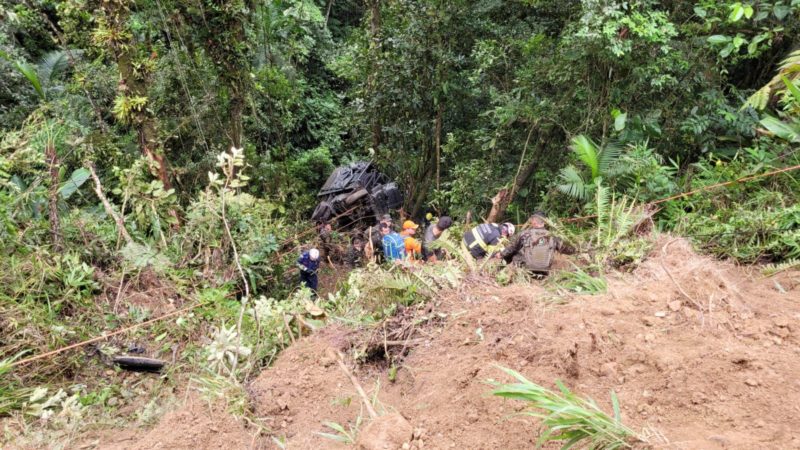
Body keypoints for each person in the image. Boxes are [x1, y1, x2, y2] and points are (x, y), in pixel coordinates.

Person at [500, 211, 571, 274]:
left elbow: (511, 248)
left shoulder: (524, 234)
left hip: (526, 269)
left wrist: (501, 254)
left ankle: (500, 269)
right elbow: (567, 249)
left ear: (534, 221)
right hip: (544, 270)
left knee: (513, 251)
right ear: (545, 222)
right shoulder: (554, 236)